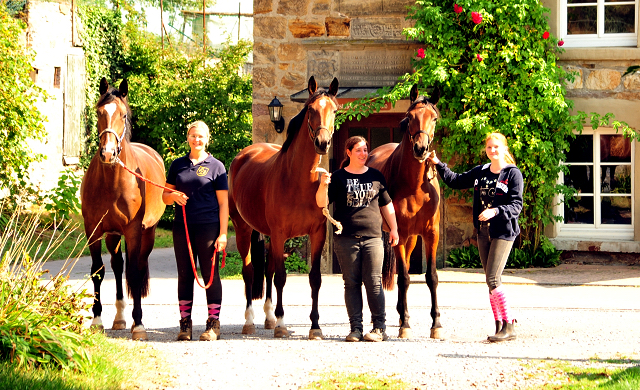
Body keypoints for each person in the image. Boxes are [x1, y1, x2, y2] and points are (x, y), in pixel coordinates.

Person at [428, 132, 523, 342]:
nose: (493, 151)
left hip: (503, 232)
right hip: (483, 232)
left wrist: (496, 211)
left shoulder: (512, 174)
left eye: (496, 147)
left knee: (493, 278)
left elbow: (517, 205)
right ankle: (499, 325)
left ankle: (509, 325)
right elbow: (455, 180)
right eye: (489, 147)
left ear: (505, 148)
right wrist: (437, 163)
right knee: (490, 282)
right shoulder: (481, 171)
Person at [316, 136, 399, 342]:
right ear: (349, 152)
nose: (364, 154)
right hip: (346, 239)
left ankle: (379, 328)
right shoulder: (338, 177)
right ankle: (356, 329)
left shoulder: (376, 176)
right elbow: (321, 203)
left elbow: (386, 205)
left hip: (373, 237)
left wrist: (394, 229)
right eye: (359, 150)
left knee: (374, 282)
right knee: (351, 283)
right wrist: (323, 185)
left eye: (365, 150)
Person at [163, 121, 229, 341]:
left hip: (208, 227)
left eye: (200, 136)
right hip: (182, 227)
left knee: (211, 275)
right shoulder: (177, 165)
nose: (196, 140)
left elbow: (223, 204)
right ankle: (185, 325)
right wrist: (173, 197)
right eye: (193, 136)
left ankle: (213, 324)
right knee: (184, 275)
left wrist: (223, 233)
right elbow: (165, 197)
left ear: (207, 139)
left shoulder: (217, 167)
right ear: (188, 138)